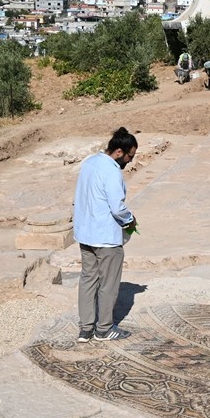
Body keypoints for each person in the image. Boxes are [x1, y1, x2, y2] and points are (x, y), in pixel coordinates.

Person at [73, 127, 138, 343]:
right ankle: (104, 329)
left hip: (86, 233)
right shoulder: (111, 171)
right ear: (119, 152)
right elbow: (117, 207)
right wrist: (130, 220)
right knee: (109, 283)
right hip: (106, 236)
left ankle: (86, 329)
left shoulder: (90, 162)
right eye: (130, 156)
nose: (130, 162)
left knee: (88, 279)